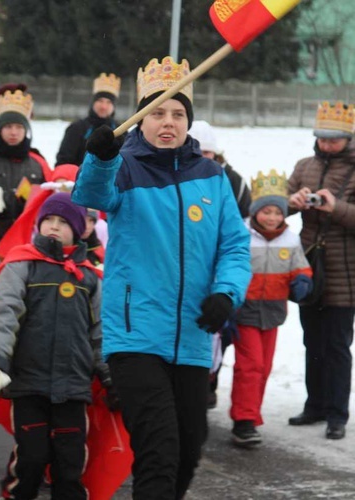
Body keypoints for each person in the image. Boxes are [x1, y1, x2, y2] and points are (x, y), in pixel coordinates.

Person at [72, 56, 251, 498]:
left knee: (189, 450)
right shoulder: (125, 166)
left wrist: (226, 293)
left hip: (192, 337)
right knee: (159, 450)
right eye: (156, 112)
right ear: (141, 118)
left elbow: (233, 245)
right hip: (134, 338)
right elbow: (90, 195)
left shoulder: (212, 177)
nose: (167, 122)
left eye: (177, 113)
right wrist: (100, 158)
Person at [0, 192, 104, 500]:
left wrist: (109, 371)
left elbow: (102, 330)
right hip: (28, 383)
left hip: (73, 386)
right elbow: (3, 312)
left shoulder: (89, 277)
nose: (53, 226)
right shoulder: (22, 265)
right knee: (31, 459)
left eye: (63, 222)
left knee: (70, 463)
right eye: (48, 219)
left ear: (79, 229)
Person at [287, 100, 355, 441]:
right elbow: (273, 203)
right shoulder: (304, 166)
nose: (327, 144)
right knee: (311, 341)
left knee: (338, 345)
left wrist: (336, 208)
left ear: (348, 138)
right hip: (309, 269)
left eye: (335, 139)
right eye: (323, 138)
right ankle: (314, 404)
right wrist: (292, 201)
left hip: (346, 274)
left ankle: (337, 414)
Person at [229, 170, 313, 448]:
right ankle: (243, 420)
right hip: (246, 310)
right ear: (255, 212)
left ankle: (252, 415)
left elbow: (300, 265)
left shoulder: (289, 239)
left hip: (274, 312)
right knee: (249, 366)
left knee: (263, 367)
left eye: (278, 213)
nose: (272, 218)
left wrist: (302, 279)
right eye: (266, 212)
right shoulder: (242, 234)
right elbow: (230, 264)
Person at [188, 120, 252, 408]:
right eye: (199, 154)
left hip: (220, 266)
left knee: (220, 329)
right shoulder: (178, 176)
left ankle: (210, 379)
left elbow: (240, 229)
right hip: (190, 265)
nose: (204, 160)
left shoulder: (232, 181)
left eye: (209, 155)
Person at [0, 89, 50, 245]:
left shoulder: (37, 163)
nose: (13, 132)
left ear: (26, 130)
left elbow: (47, 199)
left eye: (19, 127)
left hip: (26, 239)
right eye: (8, 127)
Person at [56, 73, 121, 166]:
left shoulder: (121, 131)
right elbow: (63, 163)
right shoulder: (77, 128)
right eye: (100, 101)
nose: (104, 106)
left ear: (114, 106)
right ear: (93, 102)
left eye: (109, 102)